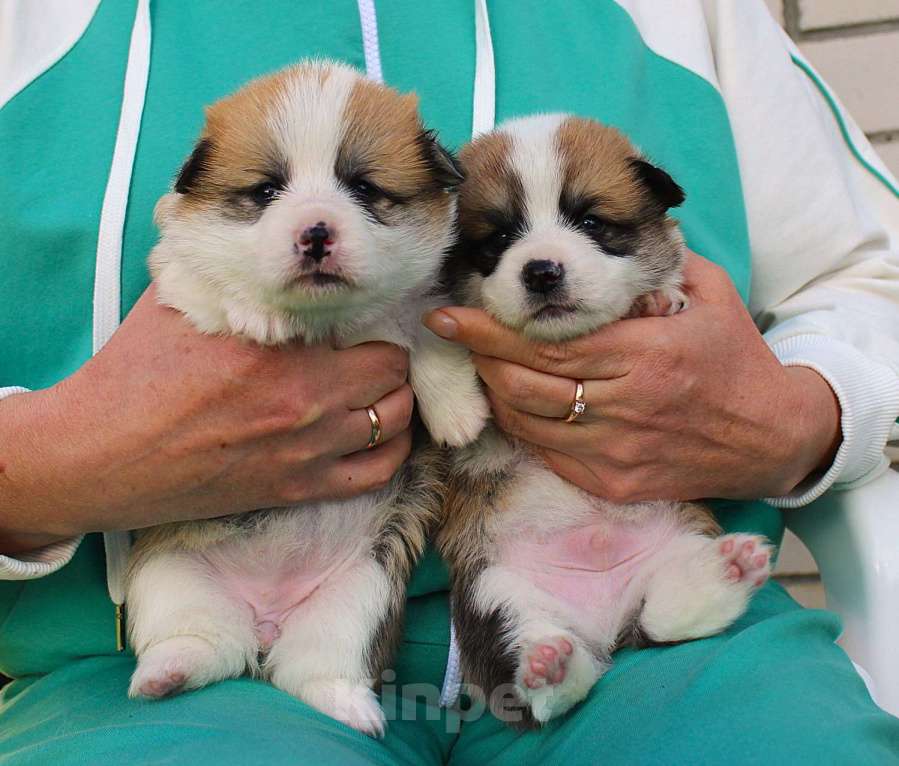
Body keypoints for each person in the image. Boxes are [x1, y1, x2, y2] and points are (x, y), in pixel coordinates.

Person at [1, 0, 898, 763]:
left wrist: (802, 411)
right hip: (133, 670)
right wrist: (43, 465)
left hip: (664, 657)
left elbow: (865, 272)